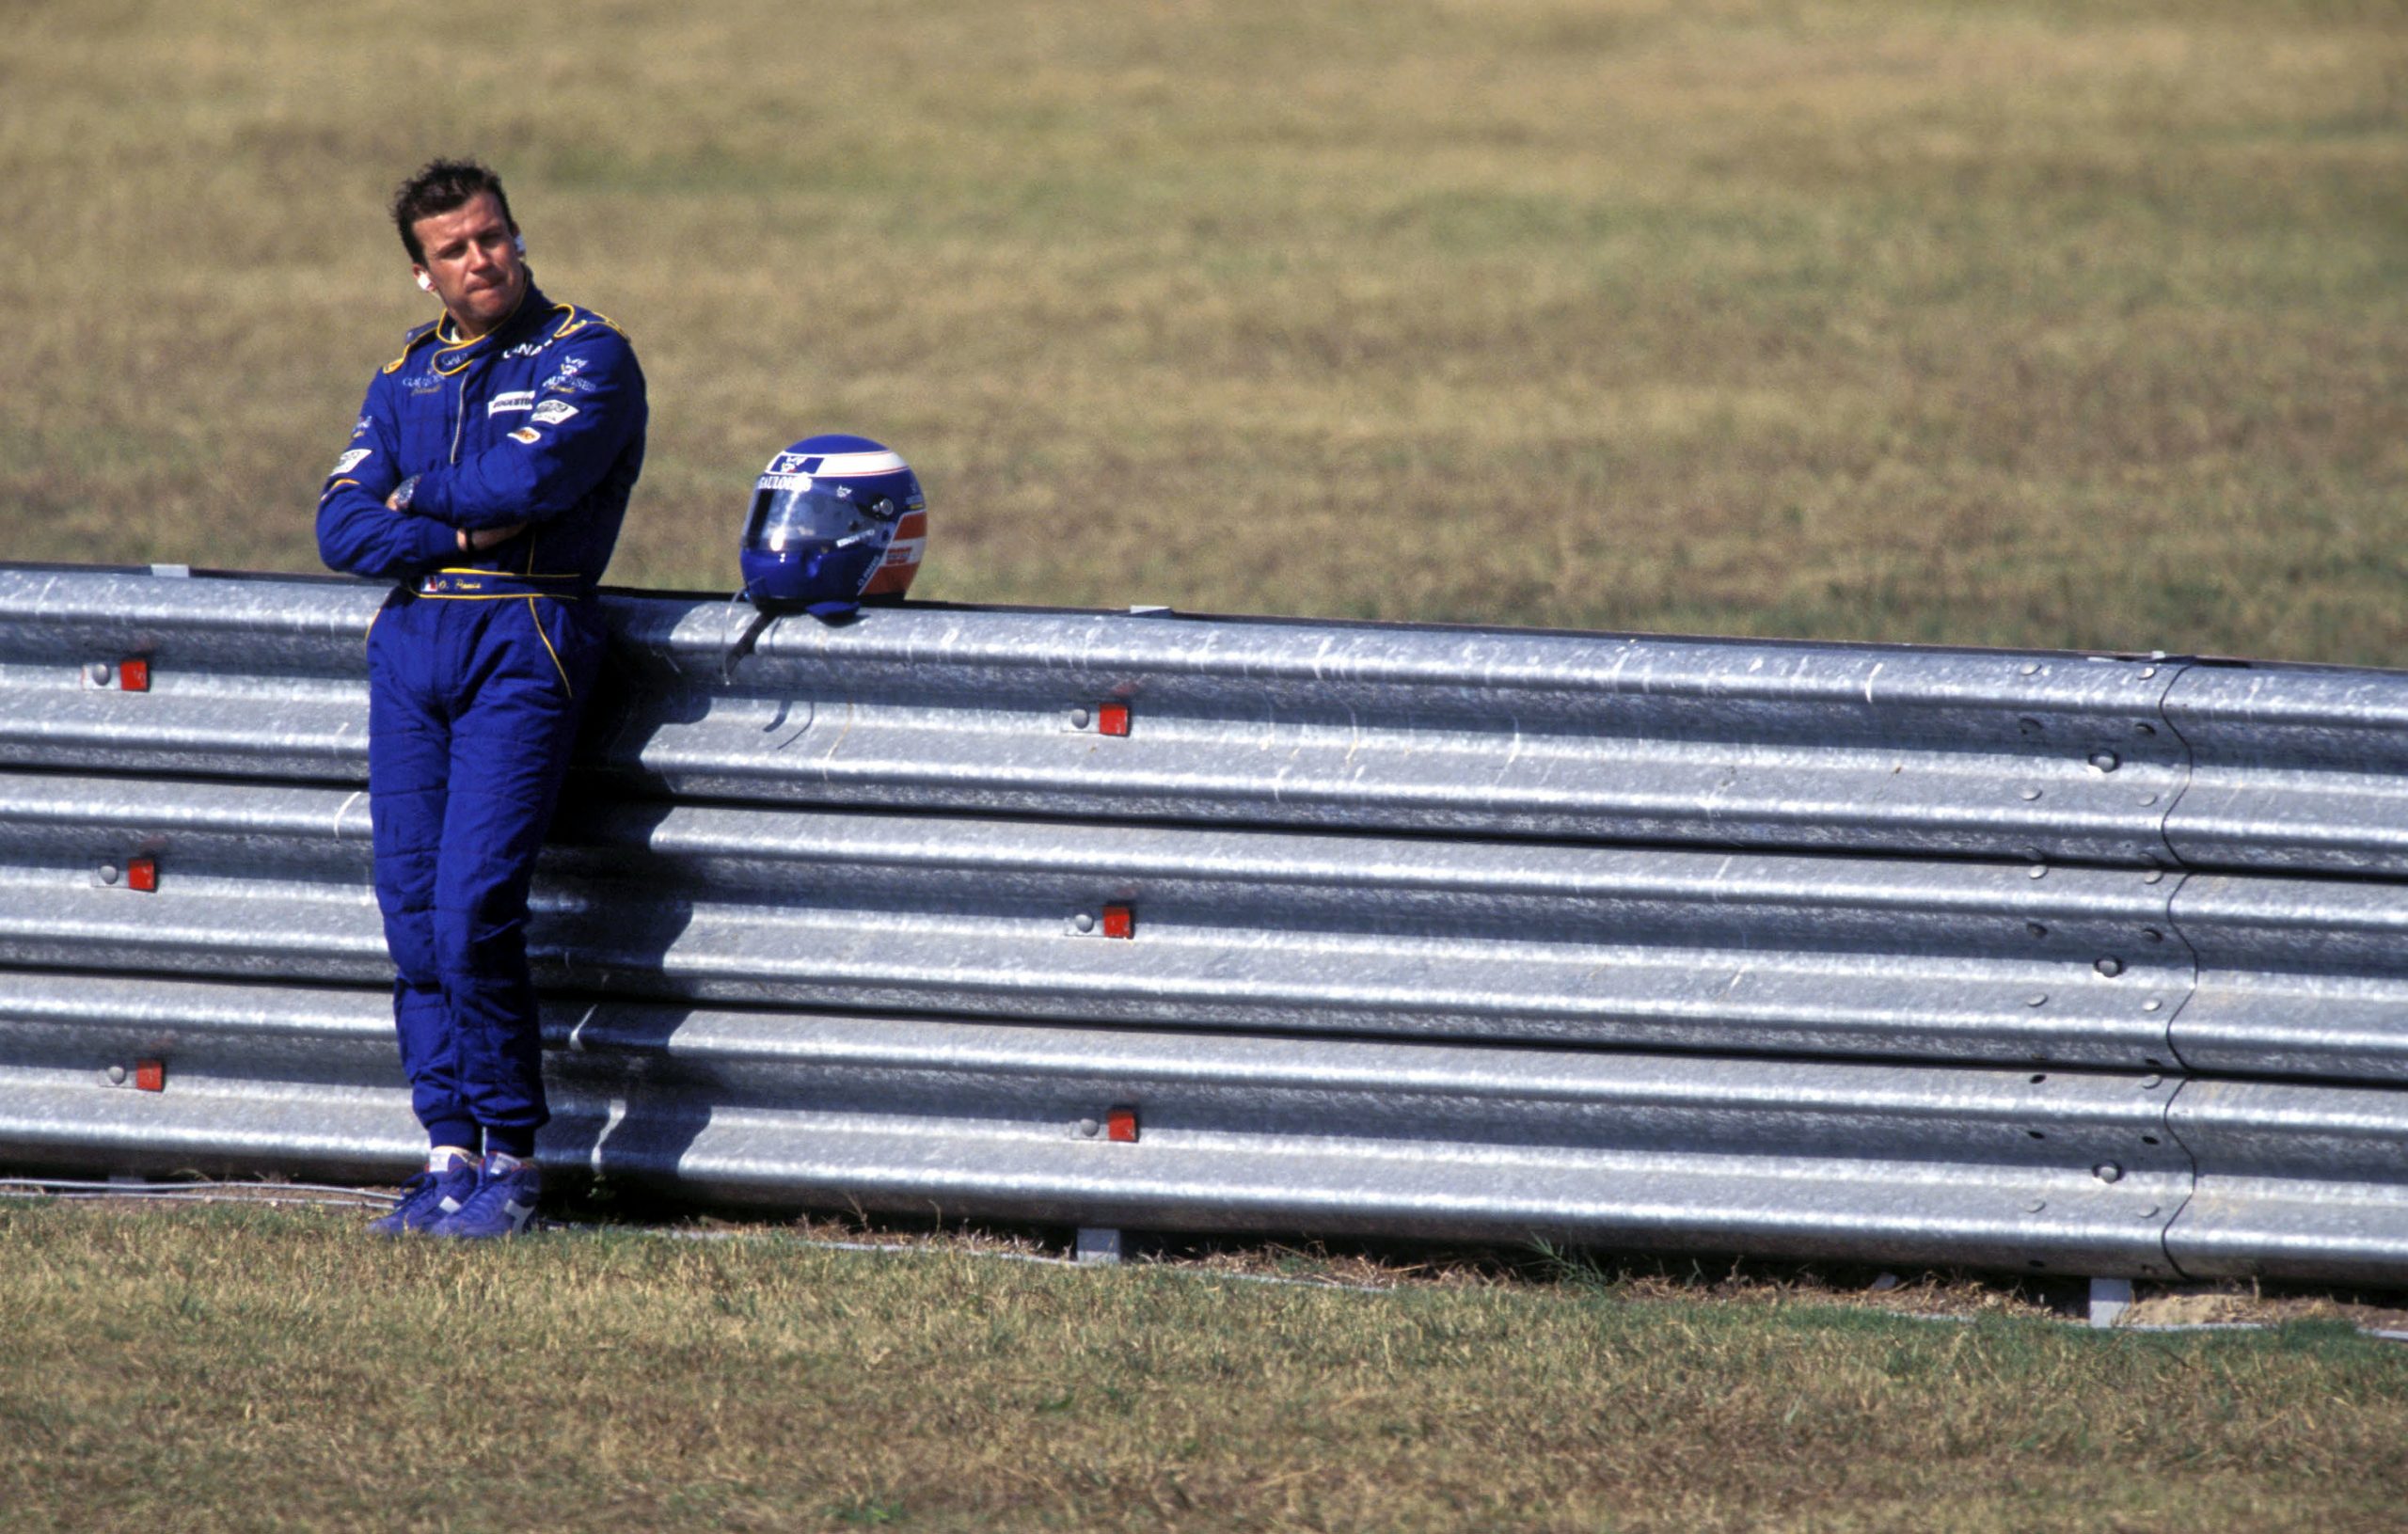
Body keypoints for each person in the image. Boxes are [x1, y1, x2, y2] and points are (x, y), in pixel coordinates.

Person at [315, 158, 646, 1238]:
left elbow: (532, 484)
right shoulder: (403, 372)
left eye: (492, 236)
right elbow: (339, 529)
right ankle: (445, 1151)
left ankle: (512, 1157)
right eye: (453, 249)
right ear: (422, 273)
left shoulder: (585, 352)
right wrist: (444, 524)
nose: (481, 259)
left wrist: (411, 497)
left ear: (516, 234)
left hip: (527, 628)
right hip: (412, 638)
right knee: (409, 914)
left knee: (471, 910)